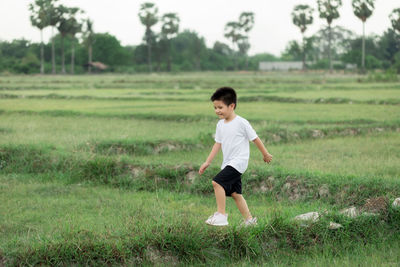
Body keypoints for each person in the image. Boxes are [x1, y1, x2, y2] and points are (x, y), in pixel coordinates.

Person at [198, 87, 273, 226]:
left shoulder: (241, 122)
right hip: (228, 163)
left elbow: (255, 138)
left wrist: (265, 154)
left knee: (217, 182)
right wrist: (207, 162)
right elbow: (217, 144)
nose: (217, 111)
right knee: (235, 194)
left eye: (220, 107)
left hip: (239, 162)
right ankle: (250, 221)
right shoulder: (220, 124)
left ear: (231, 106)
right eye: (215, 107)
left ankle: (221, 214)